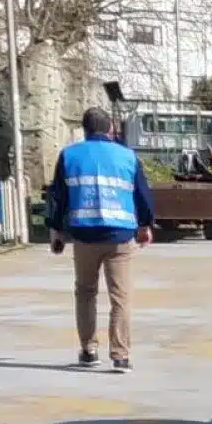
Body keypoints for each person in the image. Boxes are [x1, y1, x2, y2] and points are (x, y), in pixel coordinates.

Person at [46, 107, 156, 373]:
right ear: (110, 129)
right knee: (121, 296)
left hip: (84, 236)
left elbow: (57, 197)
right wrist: (145, 225)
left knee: (85, 293)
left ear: (84, 130)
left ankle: (89, 350)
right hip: (120, 237)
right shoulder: (127, 156)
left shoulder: (69, 154)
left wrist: (56, 231)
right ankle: (120, 356)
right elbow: (142, 194)